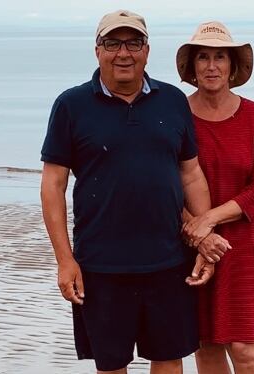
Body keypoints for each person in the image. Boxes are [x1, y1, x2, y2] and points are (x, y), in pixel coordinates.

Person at [40, 10, 214, 374]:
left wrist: (203, 240)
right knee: (111, 364)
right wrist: (65, 260)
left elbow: (191, 173)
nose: (124, 53)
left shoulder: (172, 100)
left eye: (133, 43)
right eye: (113, 43)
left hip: (169, 260)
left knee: (168, 358)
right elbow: (53, 185)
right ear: (97, 50)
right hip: (100, 265)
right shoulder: (71, 105)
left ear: (147, 51)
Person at [177, 21, 254, 374]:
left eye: (220, 57)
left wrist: (208, 220)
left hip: (245, 245)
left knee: (246, 349)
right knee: (205, 346)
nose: (212, 66)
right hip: (190, 242)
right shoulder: (175, 115)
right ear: (193, 66)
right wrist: (197, 233)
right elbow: (163, 181)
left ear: (233, 65)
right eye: (204, 57)